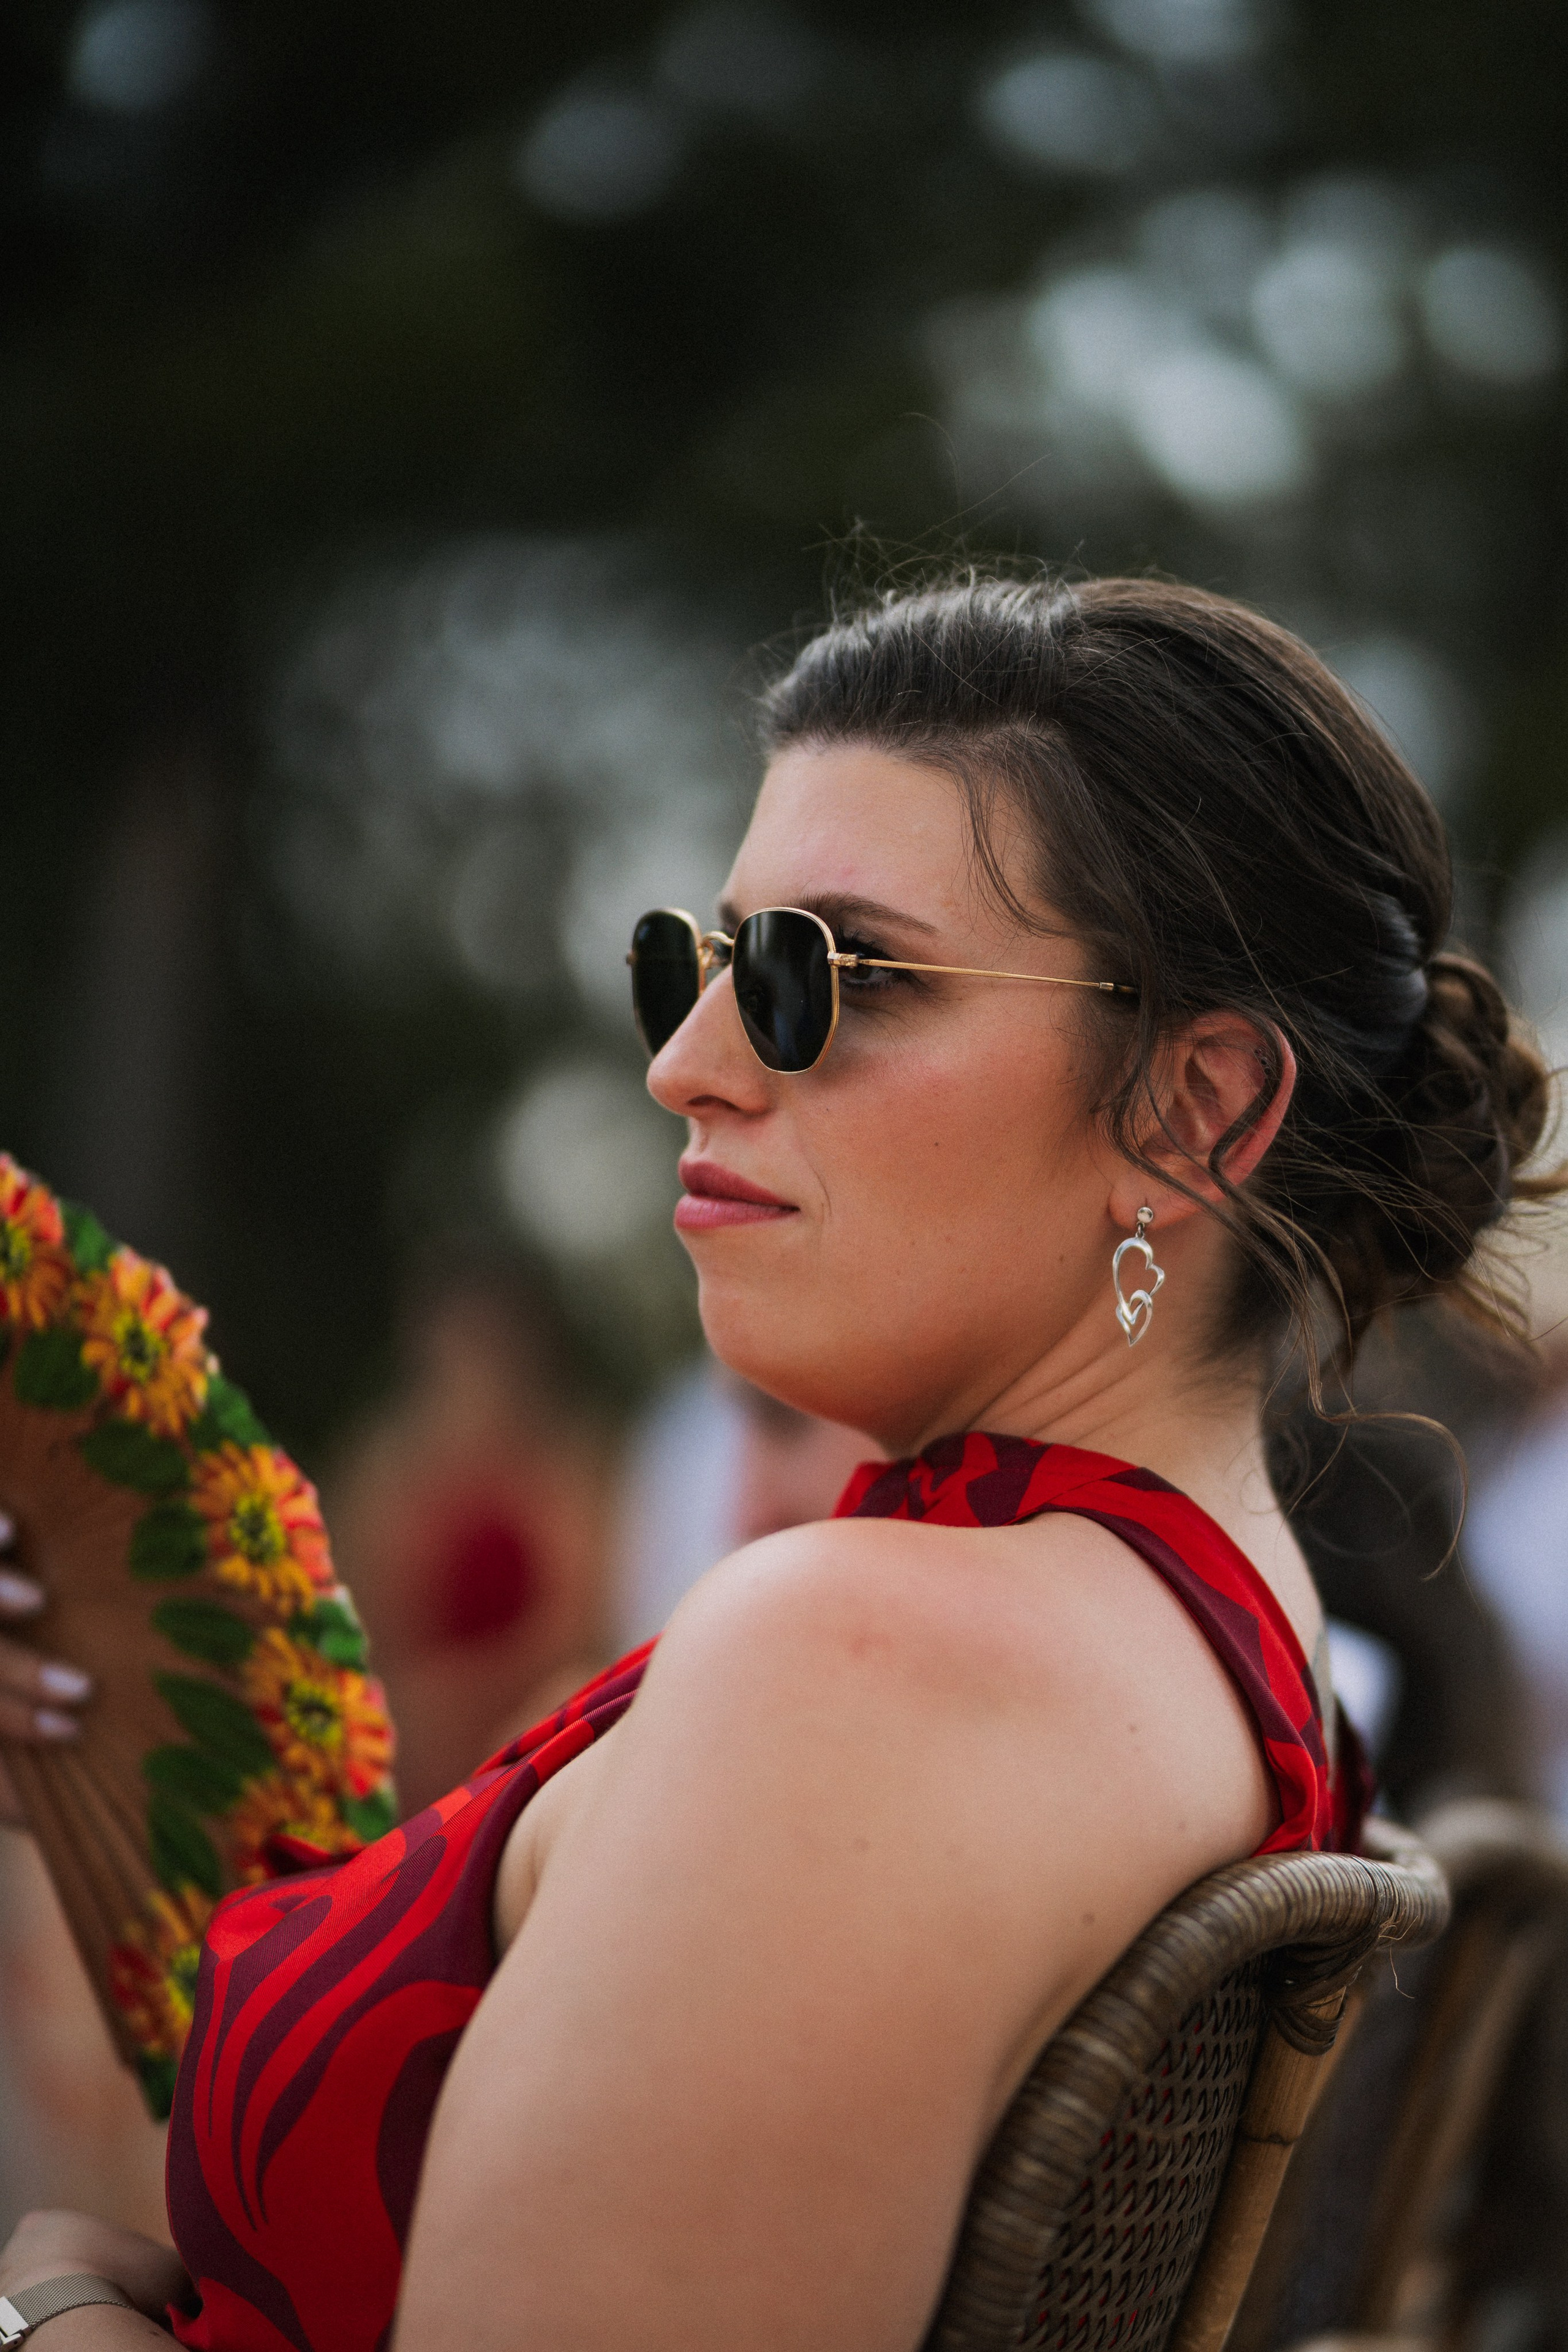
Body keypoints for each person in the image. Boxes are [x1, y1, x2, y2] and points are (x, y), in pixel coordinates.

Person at [0, 571, 1557, 2352]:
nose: (684, 1065)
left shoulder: (864, 1667)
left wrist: (52, 2314)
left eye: (829, 978)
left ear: (1194, 1106)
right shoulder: (1184, 1629)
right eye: (703, 959)